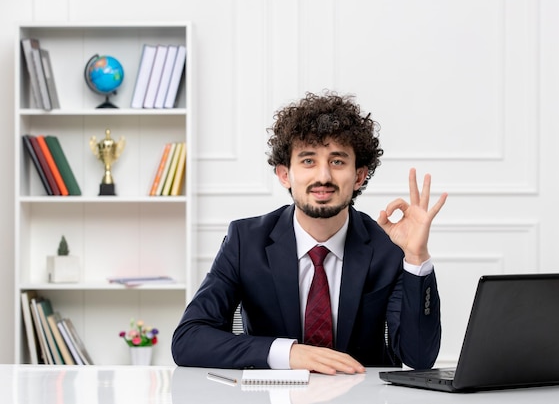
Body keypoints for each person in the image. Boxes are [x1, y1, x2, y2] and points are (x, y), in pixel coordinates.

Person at [171, 91, 448, 375]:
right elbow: (188, 340)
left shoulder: (387, 246)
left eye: (338, 161)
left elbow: (418, 359)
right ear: (284, 175)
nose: (323, 176)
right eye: (308, 161)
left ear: (359, 176)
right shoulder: (246, 241)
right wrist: (288, 353)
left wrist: (415, 257)